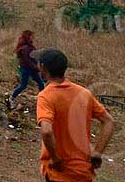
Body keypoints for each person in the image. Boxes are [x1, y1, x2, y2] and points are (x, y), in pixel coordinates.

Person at [36, 48, 115, 182]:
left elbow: (47, 131)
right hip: (84, 171)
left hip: (59, 173)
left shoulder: (46, 96)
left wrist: (55, 158)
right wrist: (97, 152)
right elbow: (109, 121)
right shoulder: (83, 93)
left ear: (43, 68)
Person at [7, 30, 45, 109]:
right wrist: (36, 68)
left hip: (30, 69)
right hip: (27, 69)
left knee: (41, 83)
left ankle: (42, 100)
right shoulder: (25, 48)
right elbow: (27, 60)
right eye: (31, 36)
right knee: (23, 85)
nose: (33, 37)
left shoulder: (28, 46)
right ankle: (11, 98)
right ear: (27, 37)